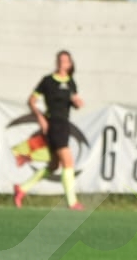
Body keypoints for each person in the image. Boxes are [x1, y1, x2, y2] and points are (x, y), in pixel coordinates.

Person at [14, 50, 84, 210]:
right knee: (68, 162)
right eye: (60, 60)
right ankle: (72, 202)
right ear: (56, 62)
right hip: (54, 125)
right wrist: (40, 117)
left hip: (64, 125)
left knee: (53, 165)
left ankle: (21, 189)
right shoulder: (48, 81)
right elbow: (31, 101)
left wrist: (77, 103)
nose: (62, 63)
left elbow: (74, 102)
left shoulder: (71, 82)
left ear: (70, 64)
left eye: (65, 61)